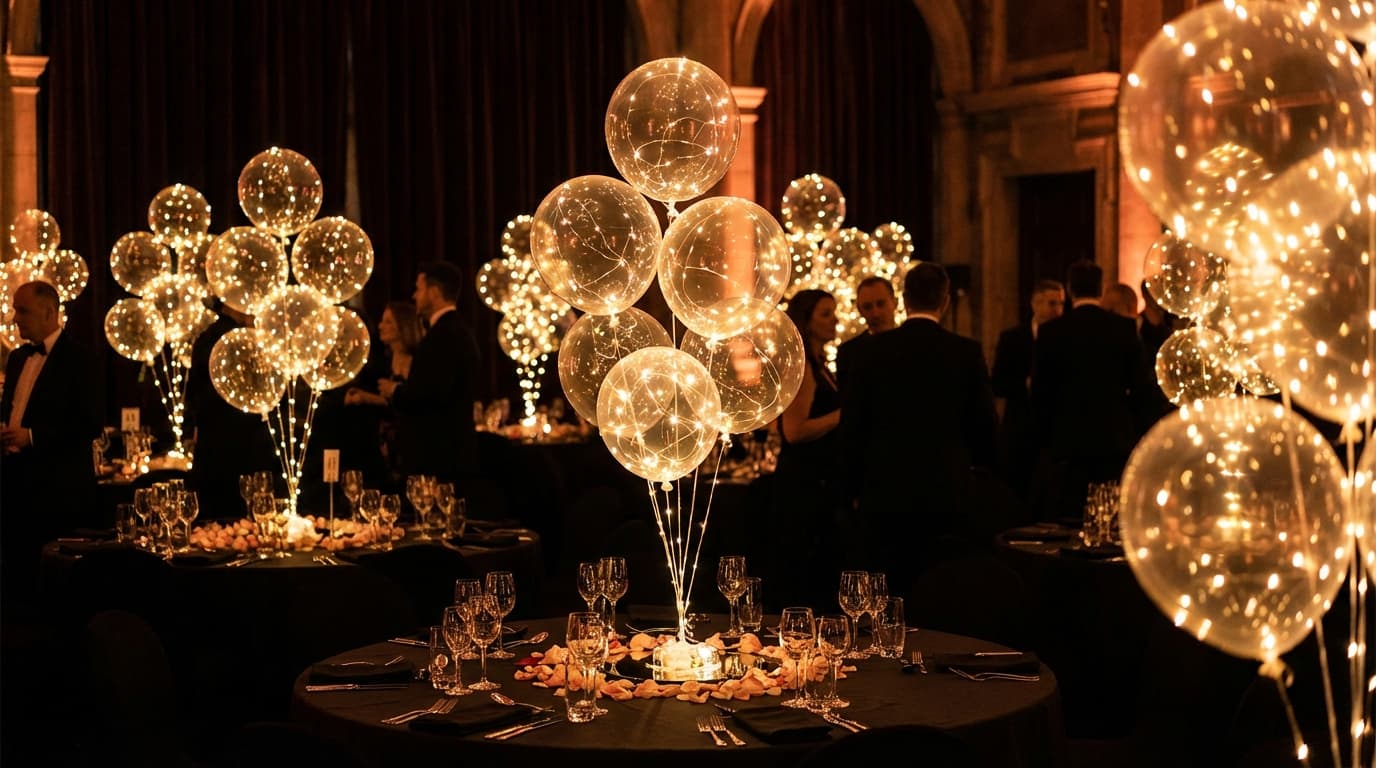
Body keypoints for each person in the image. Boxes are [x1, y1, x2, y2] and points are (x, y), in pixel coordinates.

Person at [841, 263, 997, 600]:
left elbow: (853, 427)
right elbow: (985, 427)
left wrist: (852, 489)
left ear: (904, 299)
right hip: (946, 489)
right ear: (945, 302)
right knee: (943, 591)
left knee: (887, 592)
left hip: (884, 491)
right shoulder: (965, 352)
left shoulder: (870, 351)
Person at [0, 281, 103, 604]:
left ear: (49, 312)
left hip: (58, 489)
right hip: (15, 484)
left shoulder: (80, 358)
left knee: (56, 587)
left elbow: (89, 425)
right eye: (15, 310)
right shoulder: (17, 358)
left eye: (23, 310)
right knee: (18, 577)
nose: (15, 318)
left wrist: (31, 437)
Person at [1031, 260, 1144, 522]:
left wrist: (1045, 440)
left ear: (1070, 290)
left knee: (1068, 516)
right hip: (1113, 440)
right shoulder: (1122, 329)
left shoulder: (1051, 332)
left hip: (1066, 443)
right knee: (1109, 516)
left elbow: (1040, 394)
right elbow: (1140, 387)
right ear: (1101, 290)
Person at [377, 261, 481, 496]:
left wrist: (395, 390)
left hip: (438, 451)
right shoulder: (460, 330)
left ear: (433, 293)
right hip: (455, 448)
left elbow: (429, 394)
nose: (414, 296)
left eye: (419, 289)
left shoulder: (442, 336)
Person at [768, 289, 844, 609]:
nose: (835, 319)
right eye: (826, 313)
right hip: (802, 483)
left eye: (834, 311)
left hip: (817, 480)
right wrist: (845, 414)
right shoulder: (803, 367)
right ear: (807, 320)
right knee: (803, 564)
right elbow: (795, 430)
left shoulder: (819, 362)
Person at [185, 300, 278, 520]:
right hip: (241, 443)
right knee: (241, 518)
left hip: (211, 443)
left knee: (215, 524)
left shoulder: (206, 337)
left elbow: (193, 394)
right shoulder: (243, 341)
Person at [990, 279, 1065, 513]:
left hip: (1053, 433)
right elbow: (998, 383)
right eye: (1052, 303)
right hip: (1019, 431)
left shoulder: (1066, 338)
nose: (1058, 310)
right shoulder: (1012, 338)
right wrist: (1025, 384)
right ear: (1035, 303)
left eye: (1061, 304)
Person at [339, 301, 424, 489]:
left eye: (388, 322)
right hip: (378, 439)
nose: (380, 327)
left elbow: (413, 401)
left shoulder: (419, 362)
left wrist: (368, 398)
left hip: (408, 437)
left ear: (403, 326)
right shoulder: (381, 360)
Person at [836, 275, 897, 385]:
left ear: (895, 302)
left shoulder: (912, 344)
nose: (875, 313)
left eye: (881, 304)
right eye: (868, 307)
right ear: (860, 310)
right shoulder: (848, 353)